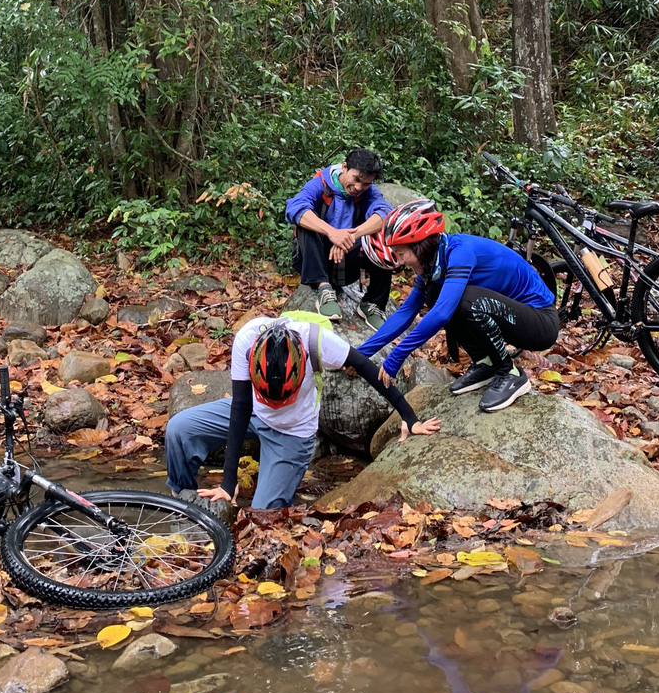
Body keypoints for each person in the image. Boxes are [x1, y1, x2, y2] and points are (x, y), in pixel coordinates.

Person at [166, 312, 441, 510]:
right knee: (178, 430)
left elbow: (371, 372)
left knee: (264, 514)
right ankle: (182, 500)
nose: (276, 403)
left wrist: (410, 416)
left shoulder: (318, 342)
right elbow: (240, 408)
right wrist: (228, 483)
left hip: (293, 433)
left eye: (283, 397)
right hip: (252, 412)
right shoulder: (247, 341)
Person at [357, 201, 560, 413]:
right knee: (435, 293)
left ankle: (509, 373)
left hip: (541, 322)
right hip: (511, 316)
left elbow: (442, 313)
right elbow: (406, 312)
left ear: (420, 246)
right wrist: (360, 355)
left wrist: (397, 356)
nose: (399, 261)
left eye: (401, 253)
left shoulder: (460, 252)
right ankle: (486, 363)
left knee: (466, 300)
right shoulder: (433, 266)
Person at [284, 148, 392, 325]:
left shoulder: (368, 192)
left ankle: (373, 303)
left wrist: (351, 235)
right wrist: (332, 233)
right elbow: (295, 207)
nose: (358, 188)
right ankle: (323, 289)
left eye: (365, 184)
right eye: (356, 179)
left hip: (348, 262)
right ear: (344, 167)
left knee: (384, 234)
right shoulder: (321, 183)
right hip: (315, 260)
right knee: (305, 223)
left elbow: (385, 214)